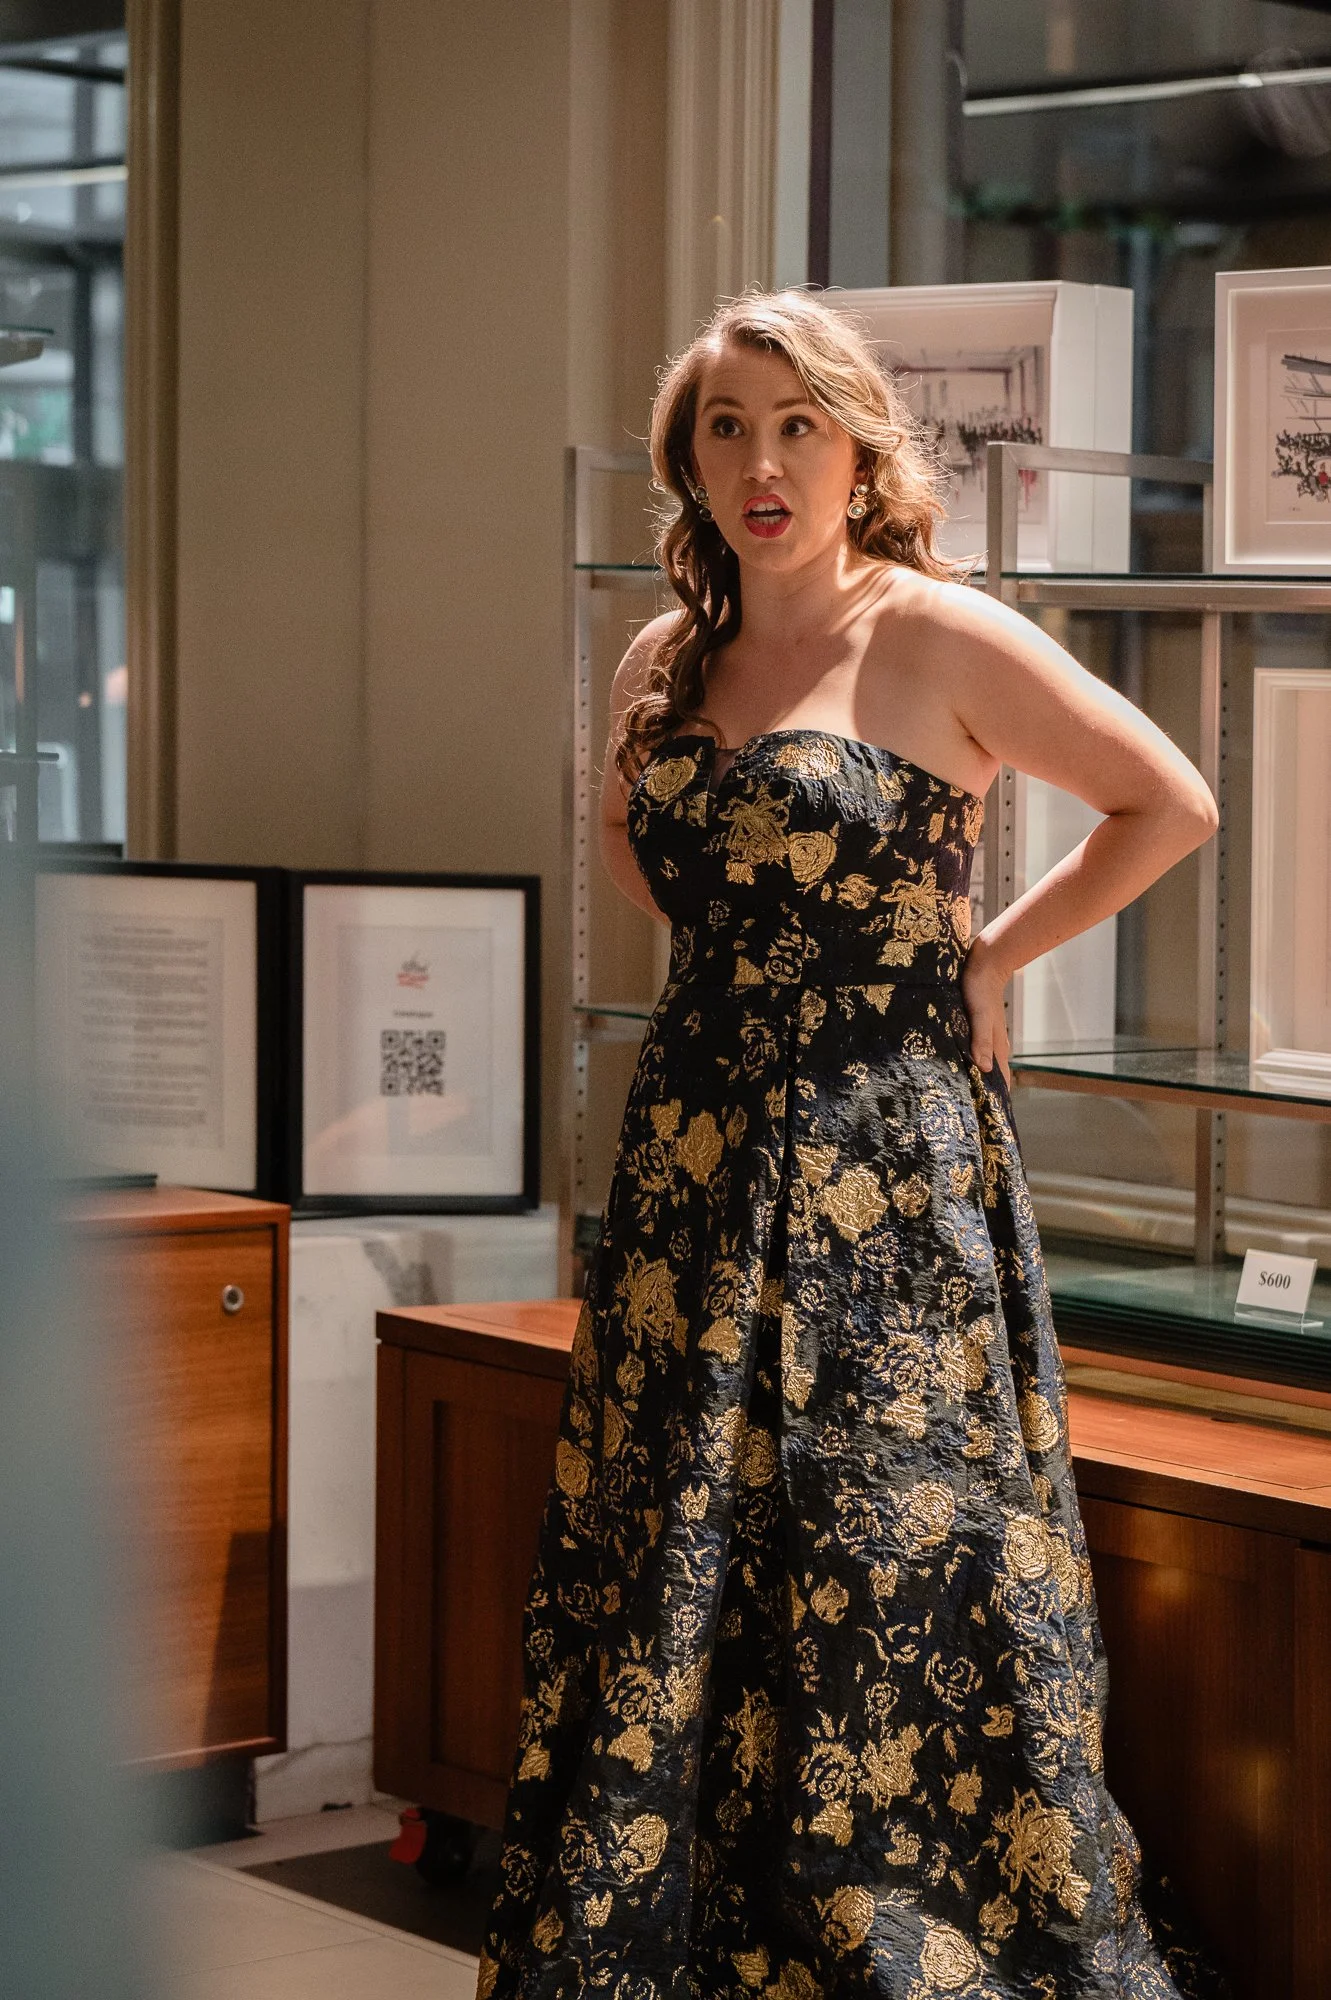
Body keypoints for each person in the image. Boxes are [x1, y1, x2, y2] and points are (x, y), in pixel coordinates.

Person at [475, 289, 1221, 2000]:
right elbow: (629, 840)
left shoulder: (937, 632)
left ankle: (891, 1921)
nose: (760, 461)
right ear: (685, 463)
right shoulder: (664, 656)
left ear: (861, 447)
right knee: (678, 1524)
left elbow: (1168, 802)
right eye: (724, 428)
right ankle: (677, 1923)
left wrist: (981, 956)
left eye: (795, 424)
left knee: (876, 1535)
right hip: (692, 1144)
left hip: (879, 1157)